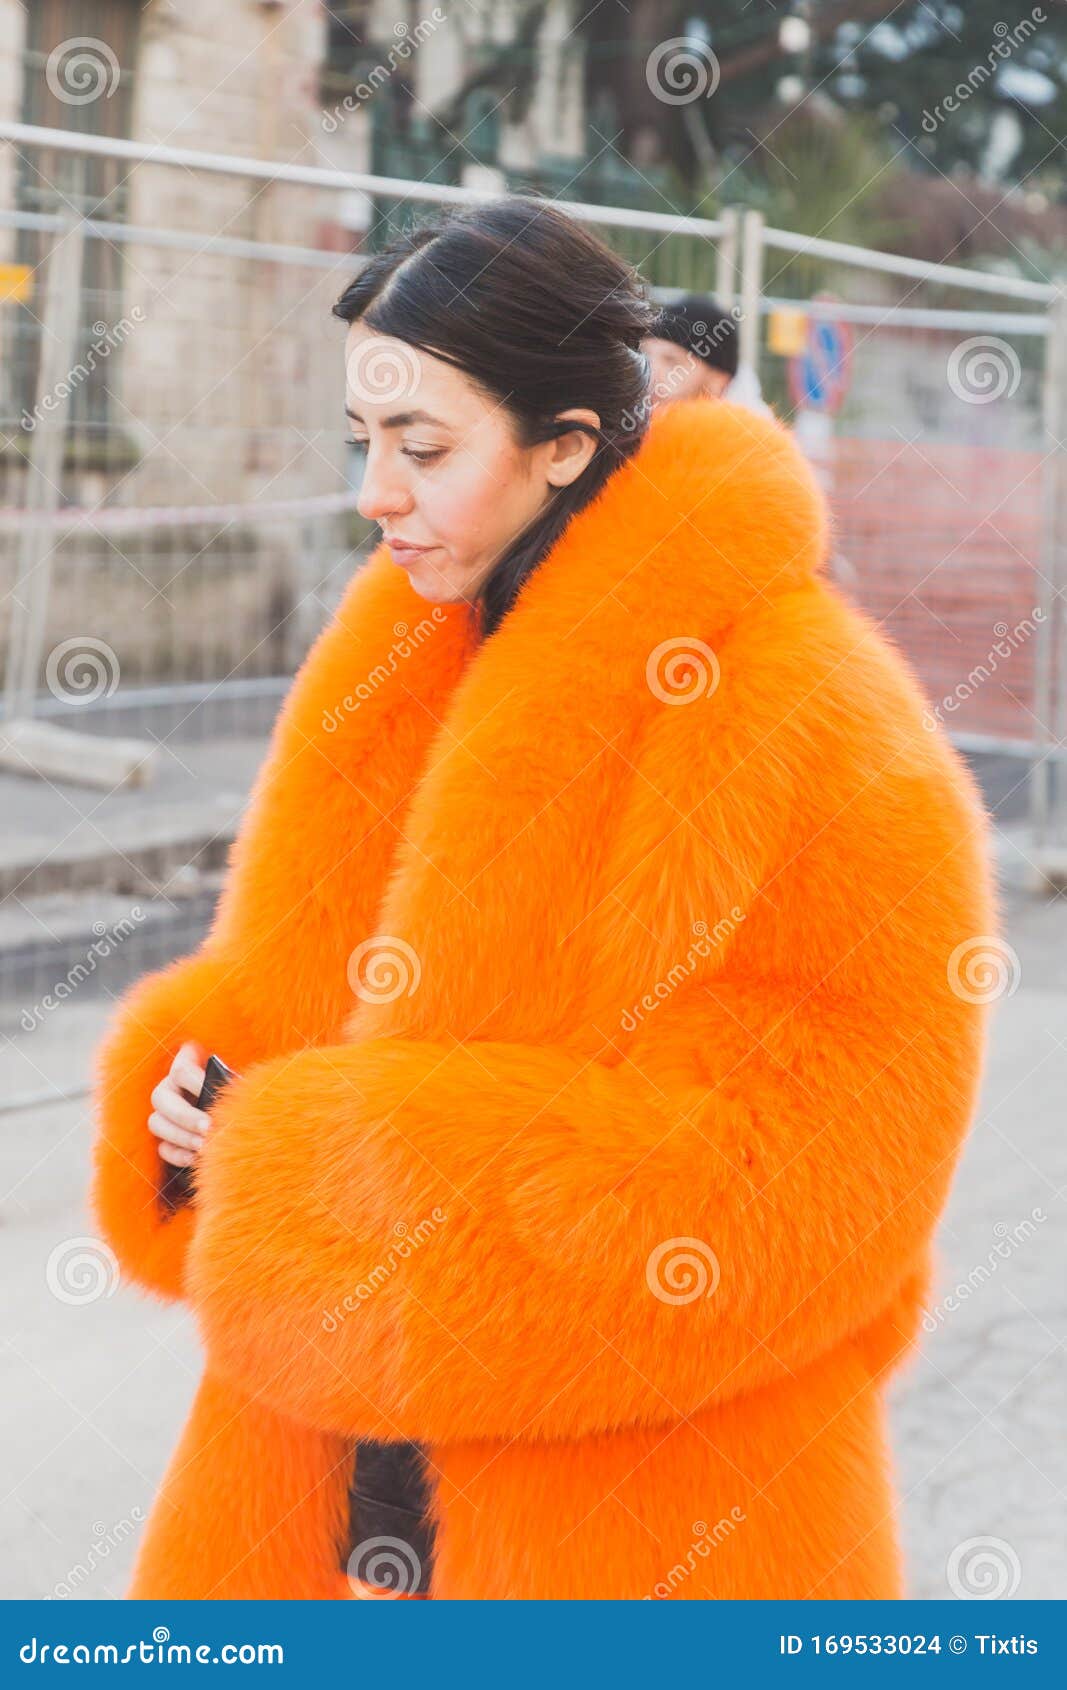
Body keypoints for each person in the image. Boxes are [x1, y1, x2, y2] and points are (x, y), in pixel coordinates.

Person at [89, 195, 994, 1602]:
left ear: (563, 445)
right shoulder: (388, 660)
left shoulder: (800, 701)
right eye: (361, 442)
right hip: (309, 1503)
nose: (372, 492)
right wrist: (203, 1110)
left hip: (650, 1531)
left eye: (421, 446)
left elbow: (812, 1174)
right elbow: (279, 1002)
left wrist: (306, 1167)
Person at [642, 292, 772, 416]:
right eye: (646, 356)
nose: (650, 373)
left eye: (672, 361)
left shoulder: (749, 437)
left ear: (717, 383)